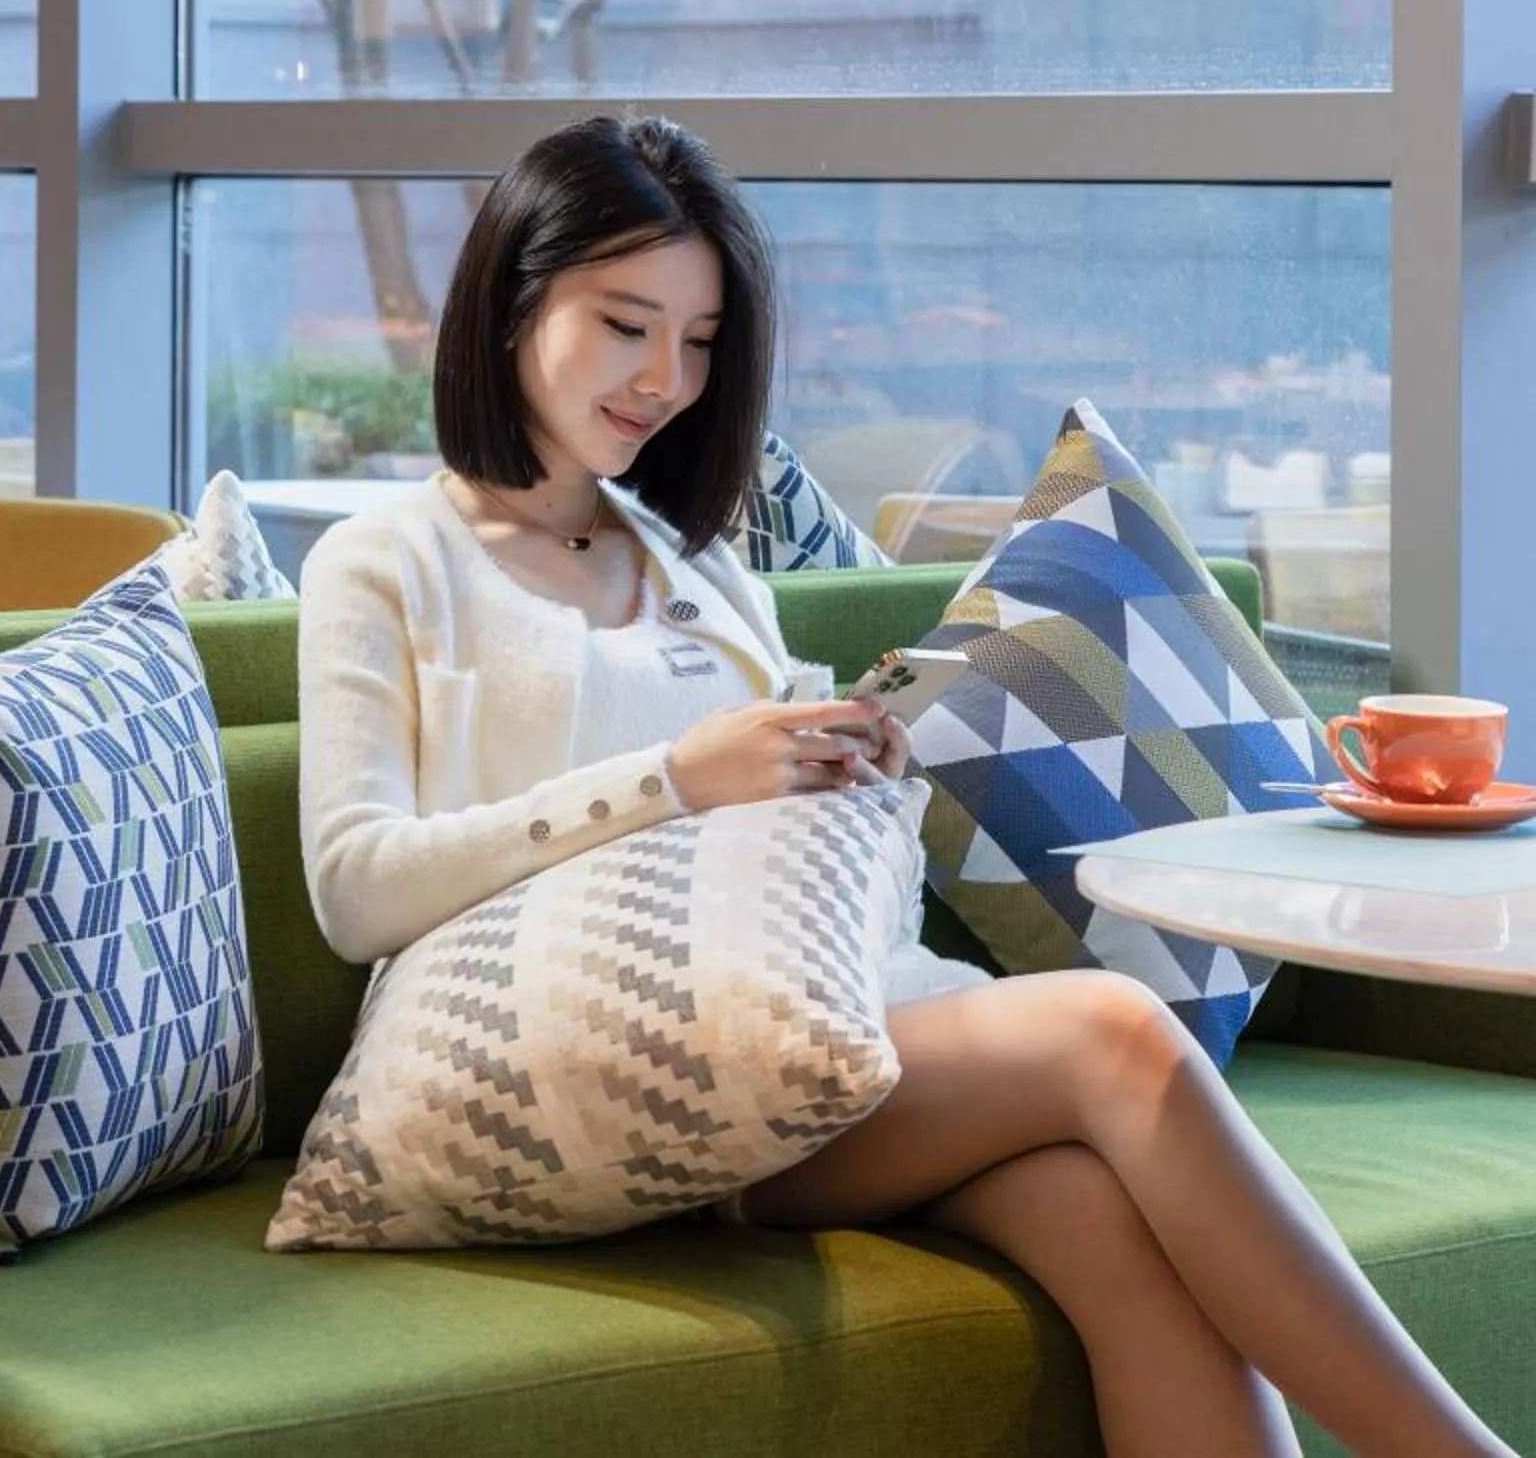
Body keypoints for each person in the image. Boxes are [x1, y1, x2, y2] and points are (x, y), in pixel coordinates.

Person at [294, 115, 1507, 1458]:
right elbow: (357, 892)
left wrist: (839, 760)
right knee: (1112, 1031)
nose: (663, 379)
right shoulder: (386, 561)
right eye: (625, 323)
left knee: (1114, 1237)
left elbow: (778, 861)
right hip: (633, 1070)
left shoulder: (694, 563)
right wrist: (676, 778)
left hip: (838, 1022)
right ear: (514, 296)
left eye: (698, 342)